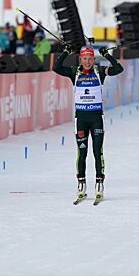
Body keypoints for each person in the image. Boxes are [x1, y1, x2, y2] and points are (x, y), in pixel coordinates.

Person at [53, 45, 124, 204]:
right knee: (82, 153)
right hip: (81, 120)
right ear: (80, 59)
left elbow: (118, 69)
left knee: (97, 152)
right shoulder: (74, 72)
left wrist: (107, 56)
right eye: (84, 59)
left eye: (90, 59)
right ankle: (81, 186)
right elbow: (56, 68)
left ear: (93, 59)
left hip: (96, 118)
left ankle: (99, 185)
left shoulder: (99, 71)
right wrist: (66, 52)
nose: (87, 62)